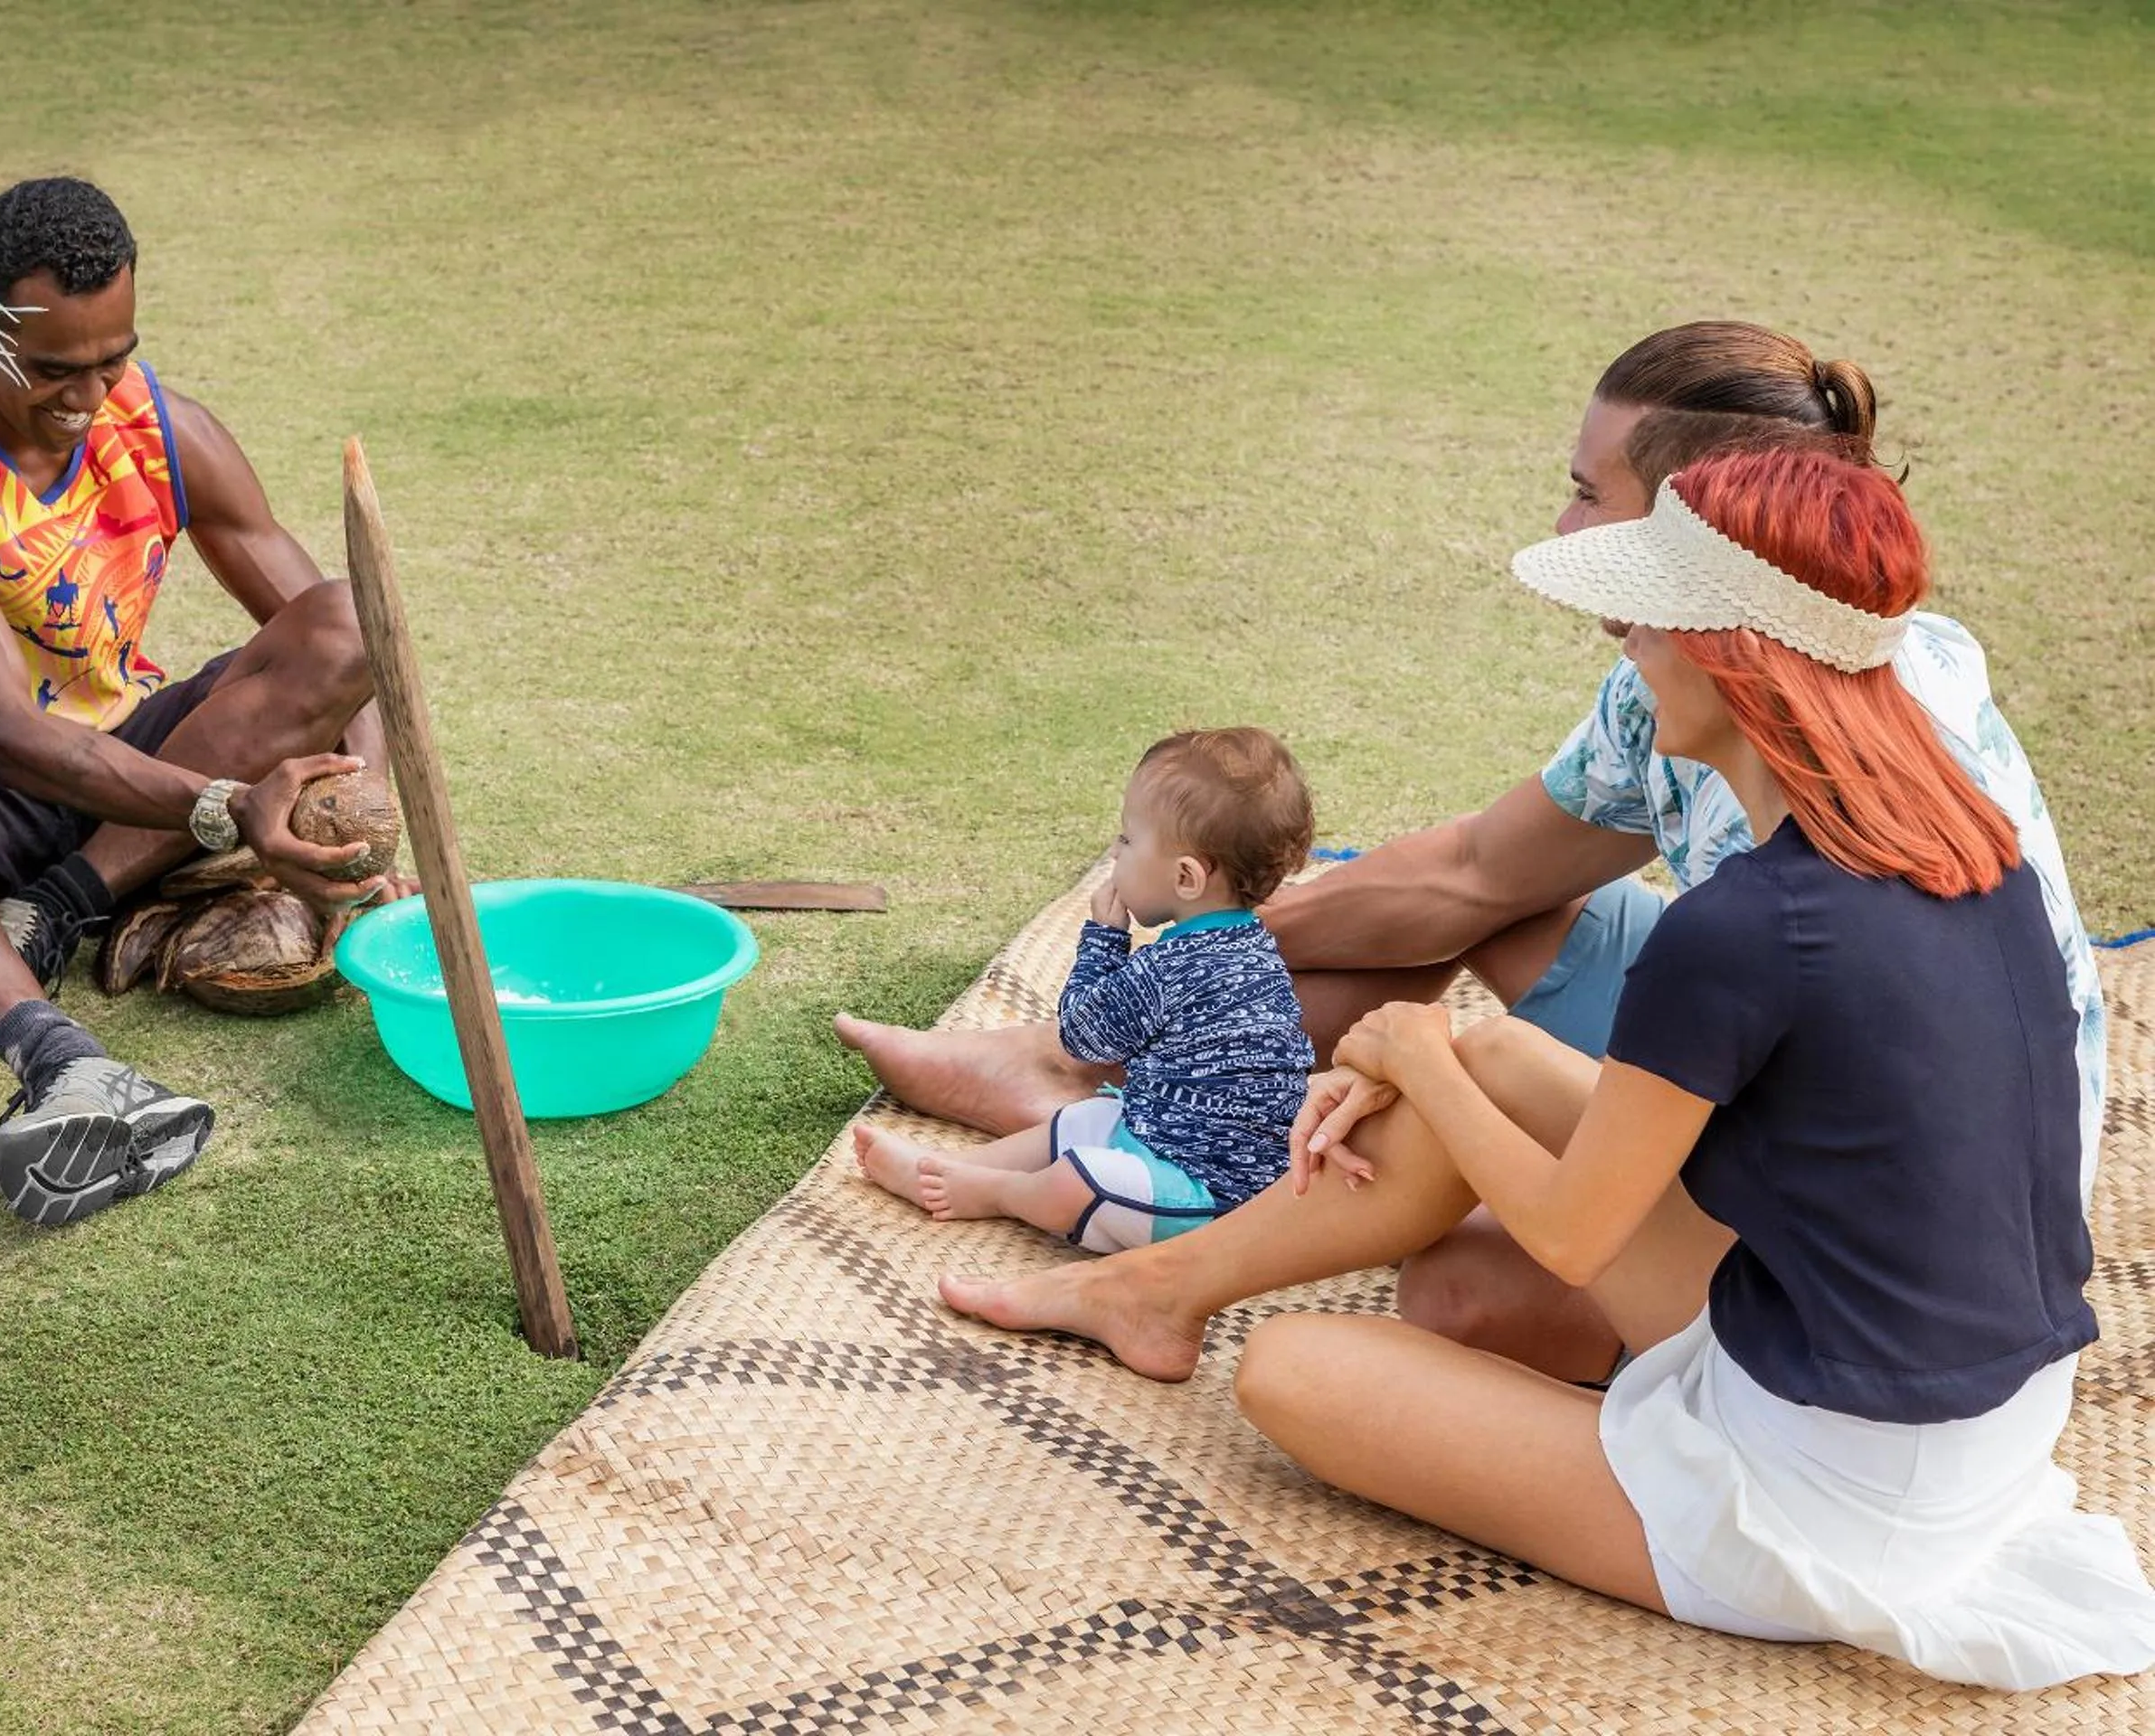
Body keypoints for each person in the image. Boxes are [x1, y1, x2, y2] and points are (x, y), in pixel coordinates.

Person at [846, 322, 2107, 1383]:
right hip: (1799, 1077)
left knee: (1454, 1287)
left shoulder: (1788, 850)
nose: (1563, 524)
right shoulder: (1748, 677)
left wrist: (1446, 1098)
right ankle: (1111, 1077)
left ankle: (1161, 1208)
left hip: (1889, 1205)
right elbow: (1471, 876)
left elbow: (1784, 1074)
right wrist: (1190, 970)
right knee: (1482, 923)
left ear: (1699, 536)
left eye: (1587, 494)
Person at [1115, 451, 2155, 1686]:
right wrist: (1465, 1062)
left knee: (1293, 1369)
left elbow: (1567, 1233)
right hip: (1979, 1424)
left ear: (1729, 650)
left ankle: (1676, 1494)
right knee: (1502, 1065)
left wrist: (1410, 1048)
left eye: (1648, 623)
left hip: (1828, 1488)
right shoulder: (1974, 851)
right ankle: (1169, 1286)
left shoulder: (1745, 926)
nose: (1627, 652)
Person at [0, 177, 409, 1227]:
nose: (88, 395)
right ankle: (63, 1065)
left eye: (111, 359)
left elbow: (345, 638)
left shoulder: (162, 423)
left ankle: (58, 908)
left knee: (343, 614)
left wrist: (359, 802)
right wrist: (229, 810)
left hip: (124, 772)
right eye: (53, 368)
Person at [856, 729, 1314, 1250]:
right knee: (1093, 1115)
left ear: (1186, 878)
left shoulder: (1169, 968)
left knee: (1082, 1176)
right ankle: (947, 1167)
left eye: (1127, 840)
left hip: (1203, 1202)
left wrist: (1104, 939)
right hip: (1206, 1164)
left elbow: (1080, 1036)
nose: (1116, 854)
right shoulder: (1253, 948)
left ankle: (995, 1191)